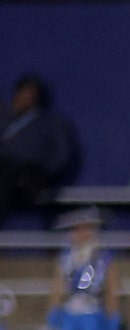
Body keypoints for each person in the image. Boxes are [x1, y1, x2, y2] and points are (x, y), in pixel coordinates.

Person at [0, 75, 81, 226]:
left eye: (31, 93)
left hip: (33, 175)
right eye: (23, 92)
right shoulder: (3, 116)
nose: (26, 97)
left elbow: (61, 154)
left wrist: (46, 173)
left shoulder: (51, 122)